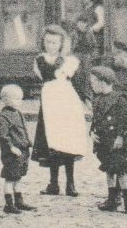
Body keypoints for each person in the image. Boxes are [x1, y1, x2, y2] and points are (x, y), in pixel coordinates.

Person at [33, 25, 92, 196]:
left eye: (54, 42)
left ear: (61, 44)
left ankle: (71, 184)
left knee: (67, 142)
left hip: (66, 102)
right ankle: (53, 183)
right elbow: (43, 76)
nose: (51, 45)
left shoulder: (69, 61)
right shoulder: (40, 60)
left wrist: (85, 100)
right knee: (52, 141)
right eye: (48, 42)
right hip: (49, 101)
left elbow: (79, 83)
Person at [88, 66, 127, 213]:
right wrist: (91, 132)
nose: (91, 85)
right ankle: (112, 199)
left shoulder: (119, 99)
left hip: (116, 141)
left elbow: (125, 120)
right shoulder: (97, 99)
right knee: (109, 169)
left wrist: (121, 137)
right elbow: (95, 119)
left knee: (121, 171)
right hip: (103, 140)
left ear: (103, 82)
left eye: (93, 82)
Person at [0, 84, 37, 214]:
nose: (20, 102)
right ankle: (8, 204)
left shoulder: (17, 113)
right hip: (12, 153)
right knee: (10, 178)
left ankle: (19, 201)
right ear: (6, 99)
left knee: (18, 176)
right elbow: (3, 135)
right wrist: (11, 147)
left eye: (20, 99)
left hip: (22, 150)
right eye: (16, 99)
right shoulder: (3, 116)